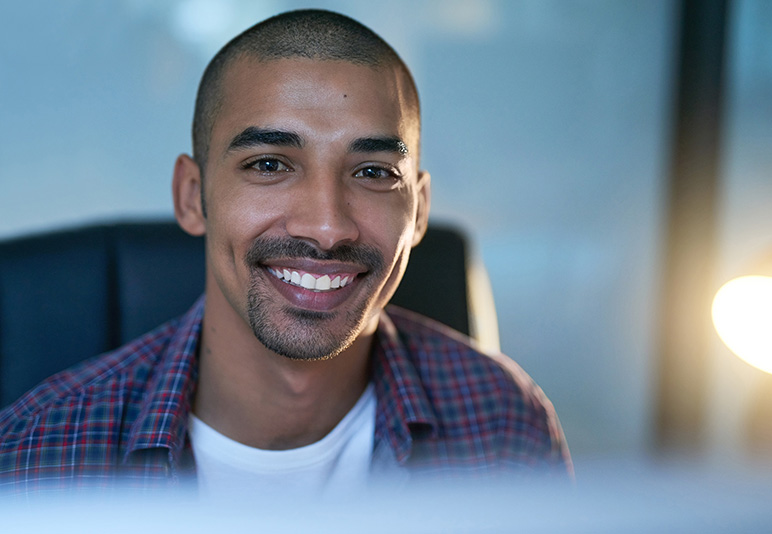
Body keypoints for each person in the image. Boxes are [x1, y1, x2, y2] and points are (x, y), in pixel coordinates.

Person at [0, 9, 571, 496]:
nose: (327, 228)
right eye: (269, 165)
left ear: (418, 211)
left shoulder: (505, 426)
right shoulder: (35, 458)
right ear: (193, 197)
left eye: (373, 172)